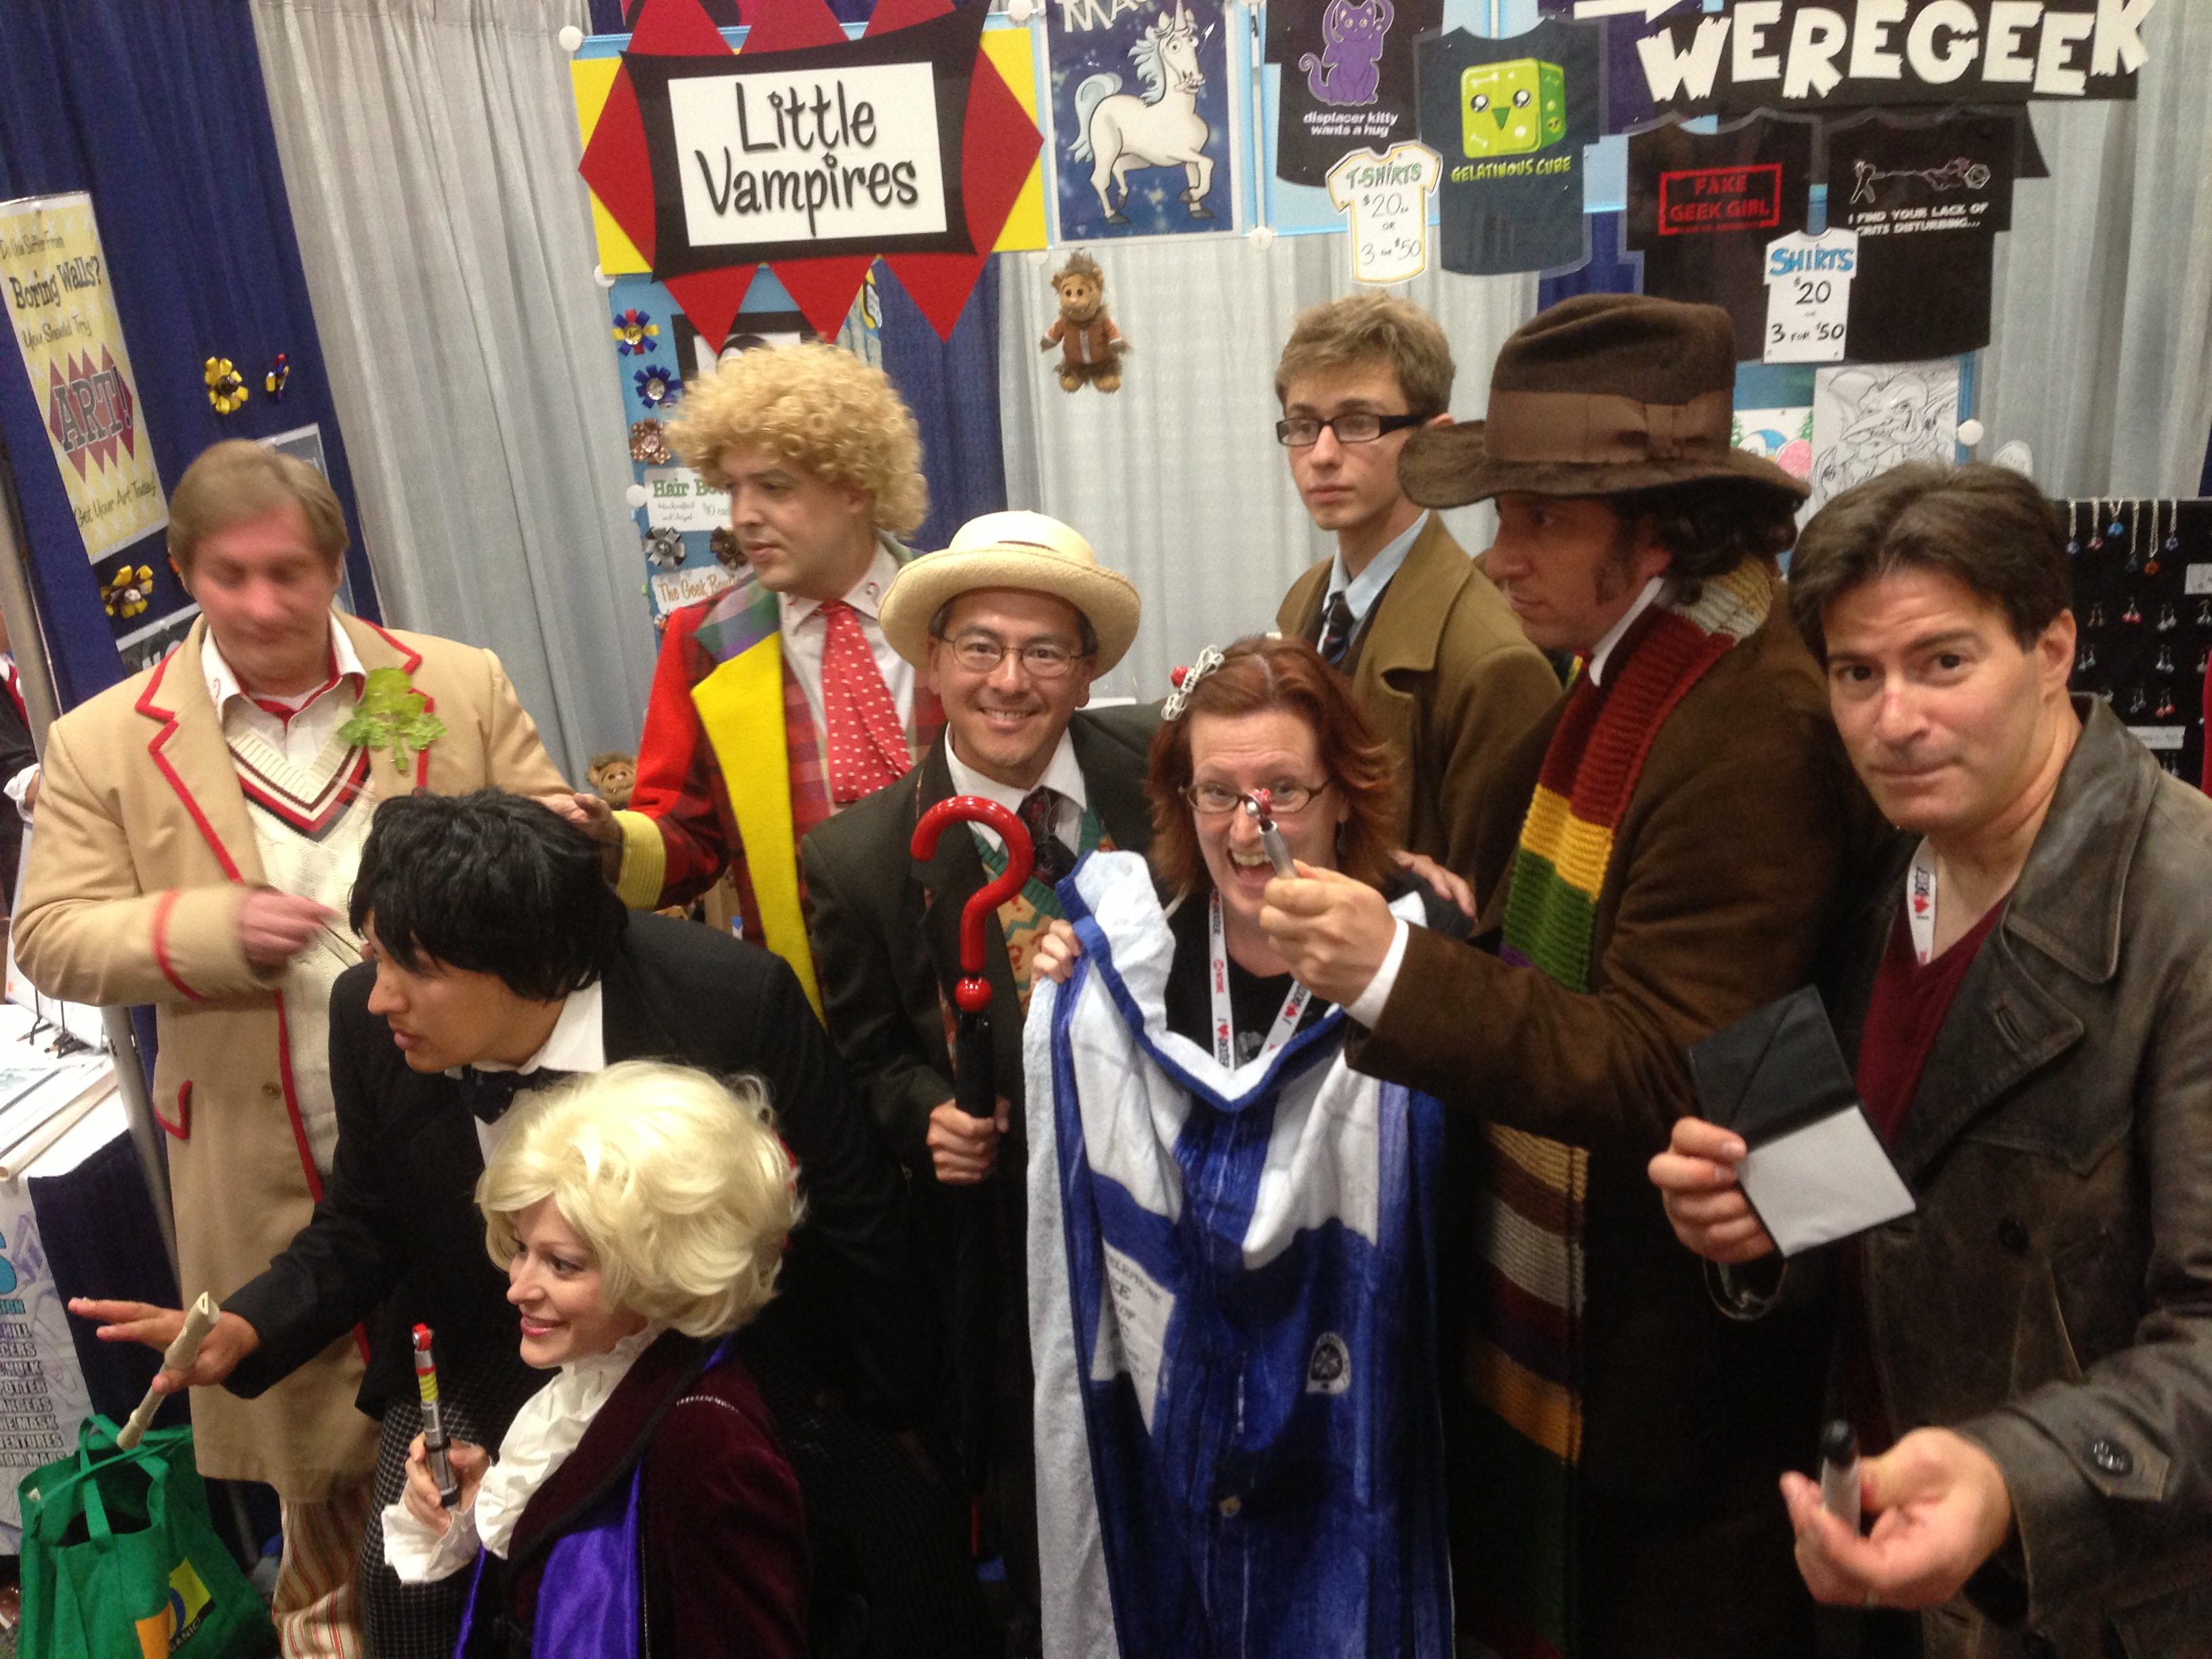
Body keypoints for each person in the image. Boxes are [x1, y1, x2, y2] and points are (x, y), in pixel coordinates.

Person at [1255, 293, 1871, 1658]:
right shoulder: (1638, 666)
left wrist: (1403, 975)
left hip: (1675, 1360)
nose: (1502, 553)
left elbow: (1664, 1059)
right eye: (1504, 513)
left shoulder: (1743, 716)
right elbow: (1601, 973)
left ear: (1654, 530)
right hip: (1623, 1327)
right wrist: (1466, 944)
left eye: (1540, 519)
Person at [71, 791, 960, 1659]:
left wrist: (900, 1409)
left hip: (705, 1339)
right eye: (374, 956)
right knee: (409, 1587)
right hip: (488, 1342)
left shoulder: (724, 998)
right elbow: (362, 1225)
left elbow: (855, 1215)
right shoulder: (369, 1021)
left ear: (522, 962)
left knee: (866, 1558)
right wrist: (245, 1324)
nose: (378, 997)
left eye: (412, 968)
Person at [1650, 462, 2212, 1654]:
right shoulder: (1874, 869)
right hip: (1871, 1557)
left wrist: (2013, 1473)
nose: (1891, 717)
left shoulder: (2184, 912)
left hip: (2077, 1602)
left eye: (1941, 662)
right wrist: (1757, 1225)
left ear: (2052, 646)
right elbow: (1875, 1209)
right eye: (1855, 673)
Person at [20, 439, 570, 1658]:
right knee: (316, 1475)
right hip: (263, 1153)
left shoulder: (448, 682)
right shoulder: (106, 739)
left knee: (517, 1421)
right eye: (228, 576)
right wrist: (207, 928)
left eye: (289, 572)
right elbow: (49, 933)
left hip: (475, 1130)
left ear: (334, 564)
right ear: (184, 572)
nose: (263, 605)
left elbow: (546, 855)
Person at [1022, 634, 1464, 1656]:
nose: (1248, 823)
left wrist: (1431, 931)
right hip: (1177, 1422)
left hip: (1353, 1417)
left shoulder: (1420, 960)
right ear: (1181, 801)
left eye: (1283, 789)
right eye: (1216, 791)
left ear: (1343, 794)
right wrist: (1057, 991)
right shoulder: (1134, 969)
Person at [800, 510, 1153, 1644]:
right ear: (933, 660)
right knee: (1042, 1483)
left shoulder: (1160, 773)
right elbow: (865, 1055)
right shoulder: (853, 859)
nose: (1009, 680)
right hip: (1005, 1246)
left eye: (1044, 650)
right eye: (980, 646)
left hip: (1172, 1202)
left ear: (1087, 666)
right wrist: (926, 1118)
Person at [384, 1062, 808, 1658]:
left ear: (662, 1268)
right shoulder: (598, 1379)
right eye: (522, 1249)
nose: (518, 1287)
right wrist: (501, 1502)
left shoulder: (711, 1449)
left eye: (563, 1264)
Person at [570, 342, 943, 1008]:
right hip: (815, 1003)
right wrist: (608, 841)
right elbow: (687, 837)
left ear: (856, 485)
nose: (742, 516)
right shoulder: (707, 641)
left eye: (773, 487)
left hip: (973, 972)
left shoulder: (955, 612)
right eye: (732, 488)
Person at [1272, 292, 1558, 882]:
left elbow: (1490, 917)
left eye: (1358, 423)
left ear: (1433, 441)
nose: (1322, 455)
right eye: (1303, 425)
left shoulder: (1493, 664)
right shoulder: (1307, 597)